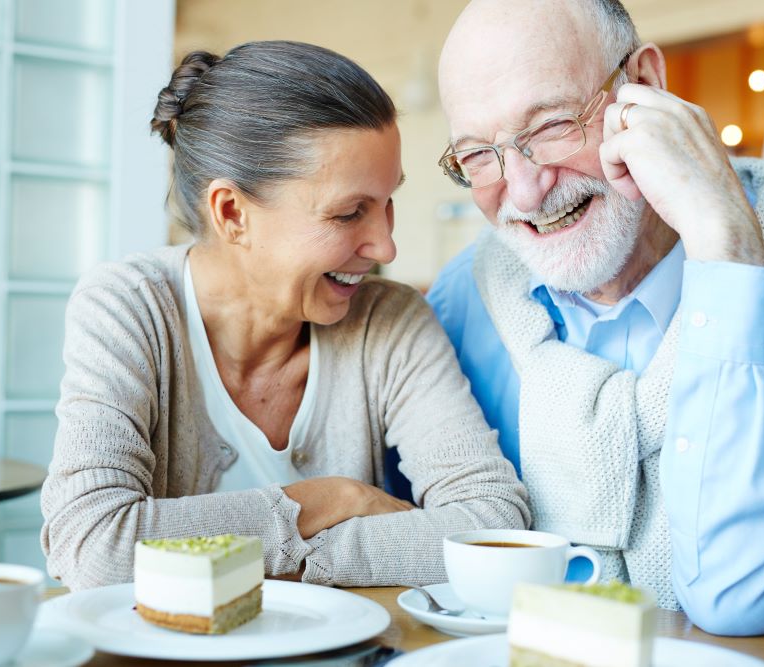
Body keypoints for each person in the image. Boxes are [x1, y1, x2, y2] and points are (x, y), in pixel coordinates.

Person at [426, 0, 764, 661]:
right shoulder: (464, 300)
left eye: (550, 127)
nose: (522, 190)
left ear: (645, 85)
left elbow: (745, 595)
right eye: (478, 155)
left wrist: (729, 255)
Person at [40, 40, 530, 591]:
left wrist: (291, 557)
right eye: (349, 213)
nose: (386, 247)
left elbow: (495, 527)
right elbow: (94, 547)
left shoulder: (389, 323)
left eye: (388, 201)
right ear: (233, 214)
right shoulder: (130, 308)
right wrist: (329, 500)